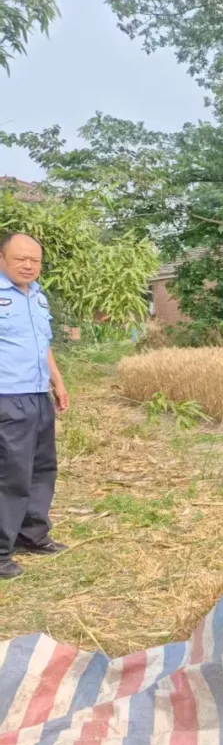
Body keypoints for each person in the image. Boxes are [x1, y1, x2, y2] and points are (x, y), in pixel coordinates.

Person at [0, 232, 70, 581]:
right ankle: (0, 552)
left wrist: (56, 380)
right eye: (20, 259)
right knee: (10, 474)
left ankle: (32, 535)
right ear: (2, 259)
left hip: (37, 393)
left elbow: (43, 344)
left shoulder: (37, 296)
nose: (28, 265)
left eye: (35, 260)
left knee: (42, 468)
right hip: (7, 396)